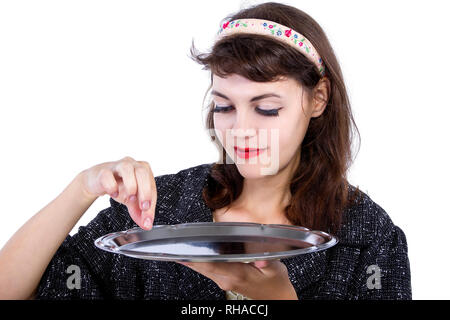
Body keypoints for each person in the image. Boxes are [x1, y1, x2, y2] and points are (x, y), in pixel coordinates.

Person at [0, 2, 411, 300]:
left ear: (318, 99)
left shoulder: (369, 239)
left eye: (267, 108)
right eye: (225, 106)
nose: (242, 131)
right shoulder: (159, 212)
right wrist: (83, 187)